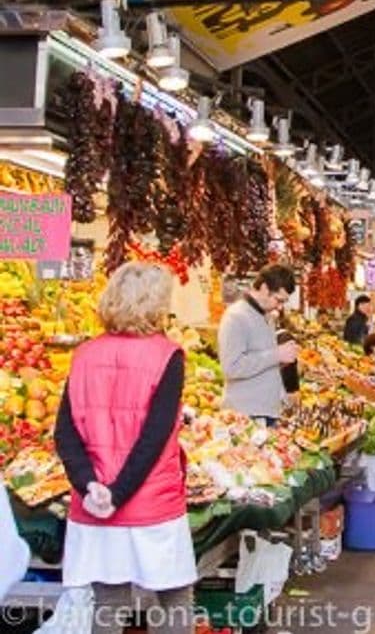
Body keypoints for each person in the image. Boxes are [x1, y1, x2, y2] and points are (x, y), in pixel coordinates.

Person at [53, 262, 195, 634]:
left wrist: (90, 488)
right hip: (153, 501)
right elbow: (156, 436)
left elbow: (64, 433)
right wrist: (120, 492)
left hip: (95, 501)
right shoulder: (168, 355)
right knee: (174, 598)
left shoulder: (84, 354)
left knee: (109, 599)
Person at [218, 264, 298, 423]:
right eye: (278, 299)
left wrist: (281, 362)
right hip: (248, 415)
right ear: (263, 287)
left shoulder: (266, 316)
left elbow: (261, 360)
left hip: (268, 411)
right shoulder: (236, 316)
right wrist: (277, 354)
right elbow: (232, 368)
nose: (279, 306)